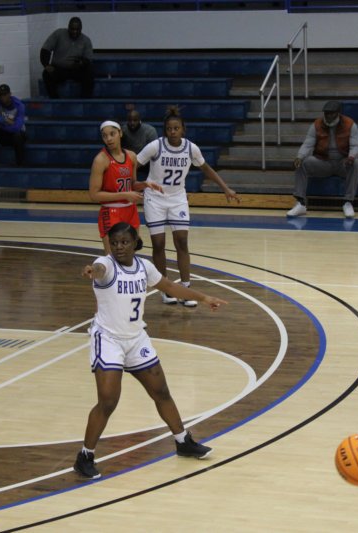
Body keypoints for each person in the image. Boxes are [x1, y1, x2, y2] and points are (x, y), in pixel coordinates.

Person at [74, 222, 227, 479]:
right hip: (109, 339)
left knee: (161, 391)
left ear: (135, 243)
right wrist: (92, 270)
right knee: (108, 401)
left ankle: (182, 441)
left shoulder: (145, 267)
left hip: (136, 339)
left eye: (124, 242)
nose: (119, 247)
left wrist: (203, 298)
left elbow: (170, 287)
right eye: (114, 243)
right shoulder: (105, 264)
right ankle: (84, 456)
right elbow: (99, 270)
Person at [137, 106, 239, 306]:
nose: (172, 132)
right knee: (158, 243)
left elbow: (206, 168)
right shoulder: (155, 146)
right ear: (165, 130)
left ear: (183, 129)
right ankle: (166, 288)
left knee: (182, 241)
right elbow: (134, 162)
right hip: (154, 199)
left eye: (176, 128)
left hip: (177, 198)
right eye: (169, 129)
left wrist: (225, 188)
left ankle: (186, 288)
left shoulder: (191, 148)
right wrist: (134, 183)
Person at [88, 120, 161, 254]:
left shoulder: (131, 156)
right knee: (113, 258)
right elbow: (94, 195)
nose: (109, 138)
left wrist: (144, 184)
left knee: (129, 257)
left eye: (112, 134)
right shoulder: (100, 160)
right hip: (110, 211)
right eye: (105, 136)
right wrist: (125, 195)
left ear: (120, 133)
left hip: (130, 211)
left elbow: (131, 184)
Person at [287, 100, 358, 219]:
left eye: (331, 113)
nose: (328, 116)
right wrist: (299, 156)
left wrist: (351, 157)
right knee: (302, 163)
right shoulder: (316, 124)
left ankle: (348, 202)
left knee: (356, 163)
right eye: (326, 113)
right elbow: (308, 144)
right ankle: (300, 203)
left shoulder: (350, 124)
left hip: (343, 162)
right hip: (323, 162)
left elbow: (355, 145)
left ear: (338, 113)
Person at [40, 17, 94, 99]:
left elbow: (88, 59)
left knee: (89, 72)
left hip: (76, 69)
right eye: (72, 29)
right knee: (46, 74)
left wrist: (82, 63)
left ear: (81, 29)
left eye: (77, 29)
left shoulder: (86, 40)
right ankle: (55, 100)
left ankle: (85, 100)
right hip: (59, 69)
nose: (74, 32)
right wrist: (46, 65)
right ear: (68, 27)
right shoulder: (58, 34)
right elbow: (45, 49)